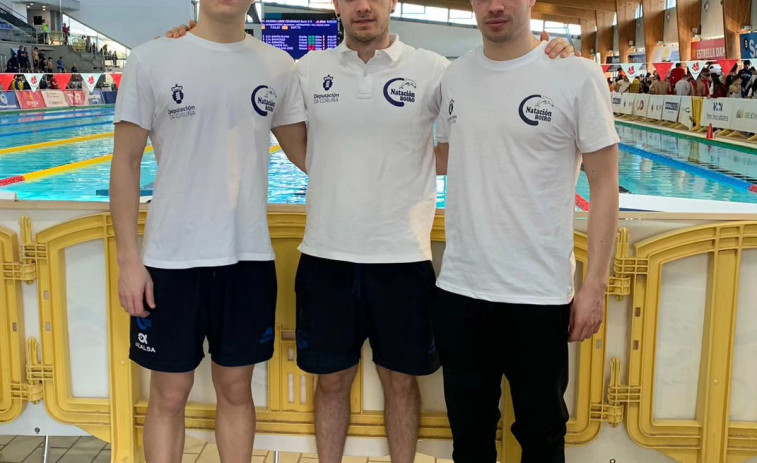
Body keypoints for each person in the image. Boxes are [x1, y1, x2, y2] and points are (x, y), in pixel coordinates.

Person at [167, 10, 573, 463]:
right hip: (326, 255)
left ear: (391, 1)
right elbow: (290, 136)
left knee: (401, 381)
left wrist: (551, 55)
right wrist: (191, 36)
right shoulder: (308, 70)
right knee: (332, 381)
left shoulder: (434, 69)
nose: (364, 6)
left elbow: (495, 94)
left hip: (403, 256)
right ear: (338, 6)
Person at [110, 1, 307, 463]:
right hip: (170, 259)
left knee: (236, 390)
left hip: (247, 256)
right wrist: (128, 260)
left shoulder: (278, 66)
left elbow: (308, 154)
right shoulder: (151, 58)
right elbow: (125, 162)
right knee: (170, 392)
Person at [431, 0, 619, 460]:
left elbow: (604, 183)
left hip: (538, 296)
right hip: (461, 290)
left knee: (542, 436)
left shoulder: (576, 75)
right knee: (469, 438)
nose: (495, 6)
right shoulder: (454, 77)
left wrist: (594, 284)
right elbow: (442, 156)